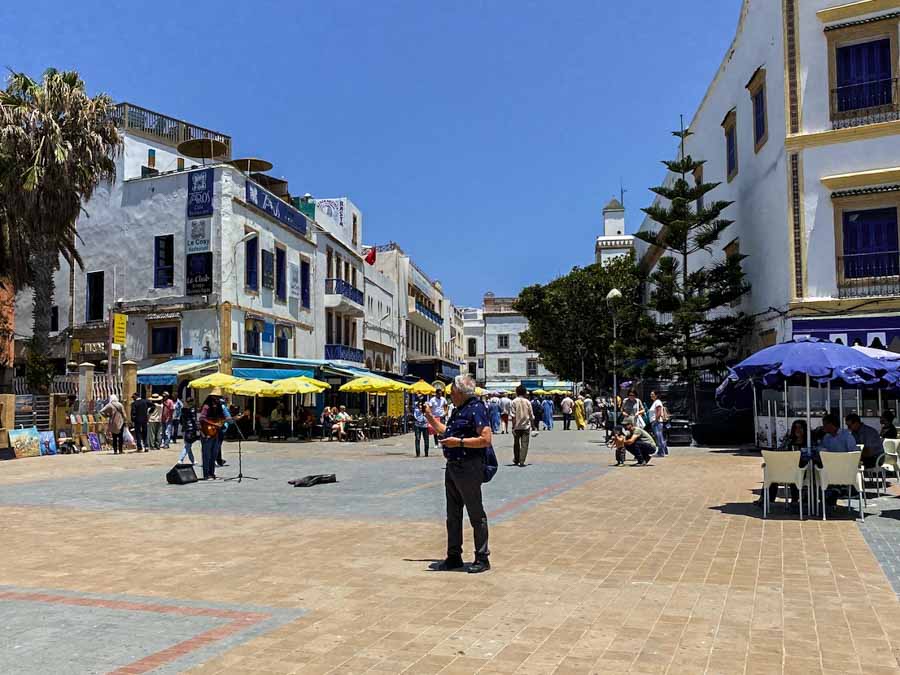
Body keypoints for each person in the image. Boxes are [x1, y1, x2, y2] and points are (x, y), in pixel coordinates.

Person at [425, 373, 492, 574]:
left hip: (469, 466)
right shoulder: (458, 410)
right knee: (452, 515)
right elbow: (446, 431)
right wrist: (429, 416)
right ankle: (453, 555)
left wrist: (459, 443)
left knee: (475, 513)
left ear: (461, 392)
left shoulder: (477, 409)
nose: (449, 394)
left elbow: (486, 439)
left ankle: (482, 557)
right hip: (453, 466)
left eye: (451, 391)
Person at [198, 389, 226, 479]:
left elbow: (223, 418)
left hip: (216, 432)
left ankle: (212, 473)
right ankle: (206, 474)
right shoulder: (206, 406)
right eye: (217, 397)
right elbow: (202, 418)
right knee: (207, 454)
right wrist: (214, 424)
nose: (218, 399)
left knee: (214, 453)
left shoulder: (219, 407)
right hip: (207, 432)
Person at [510, 386, 534, 467]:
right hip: (526, 426)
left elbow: (513, 416)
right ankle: (522, 460)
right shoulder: (527, 402)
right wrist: (533, 426)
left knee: (516, 444)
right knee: (525, 444)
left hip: (517, 427)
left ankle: (516, 459)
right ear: (524, 393)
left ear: (516, 392)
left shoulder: (513, 402)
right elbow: (531, 415)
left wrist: (513, 427)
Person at [648, 391, 669, 457]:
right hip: (655, 422)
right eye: (651, 394)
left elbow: (659, 412)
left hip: (657, 422)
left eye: (652, 394)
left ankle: (661, 452)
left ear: (656, 395)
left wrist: (656, 420)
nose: (651, 395)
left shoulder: (657, 402)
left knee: (659, 437)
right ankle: (663, 451)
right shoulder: (655, 402)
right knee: (659, 437)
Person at [179, 397, 198, 464]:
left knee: (188, 445)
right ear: (192, 402)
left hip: (184, 429)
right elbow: (193, 420)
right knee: (188, 445)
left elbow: (181, 420)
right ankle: (180, 459)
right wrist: (197, 428)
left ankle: (192, 460)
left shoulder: (183, 410)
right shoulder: (192, 410)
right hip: (190, 429)